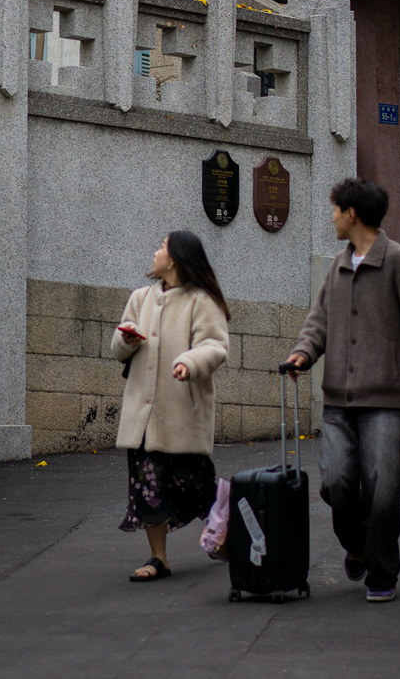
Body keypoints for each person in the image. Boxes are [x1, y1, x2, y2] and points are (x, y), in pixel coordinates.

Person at [285, 177, 400, 603]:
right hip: (338, 397)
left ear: (351, 213)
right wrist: (303, 354)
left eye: (335, 209)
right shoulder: (338, 266)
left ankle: (382, 571)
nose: (332, 217)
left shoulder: (398, 262)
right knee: (335, 482)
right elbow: (318, 322)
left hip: (385, 398)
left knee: (383, 487)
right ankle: (358, 545)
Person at [112, 230, 230, 582]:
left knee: (195, 485)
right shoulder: (140, 298)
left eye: (161, 246)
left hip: (183, 412)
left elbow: (215, 345)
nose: (155, 251)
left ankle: (231, 530)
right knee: (148, 485)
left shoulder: (201, 300)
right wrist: (127, 337)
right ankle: (159, 558)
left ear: (175, 258)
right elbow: (118, 349)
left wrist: (190, 363)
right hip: (143, 416)